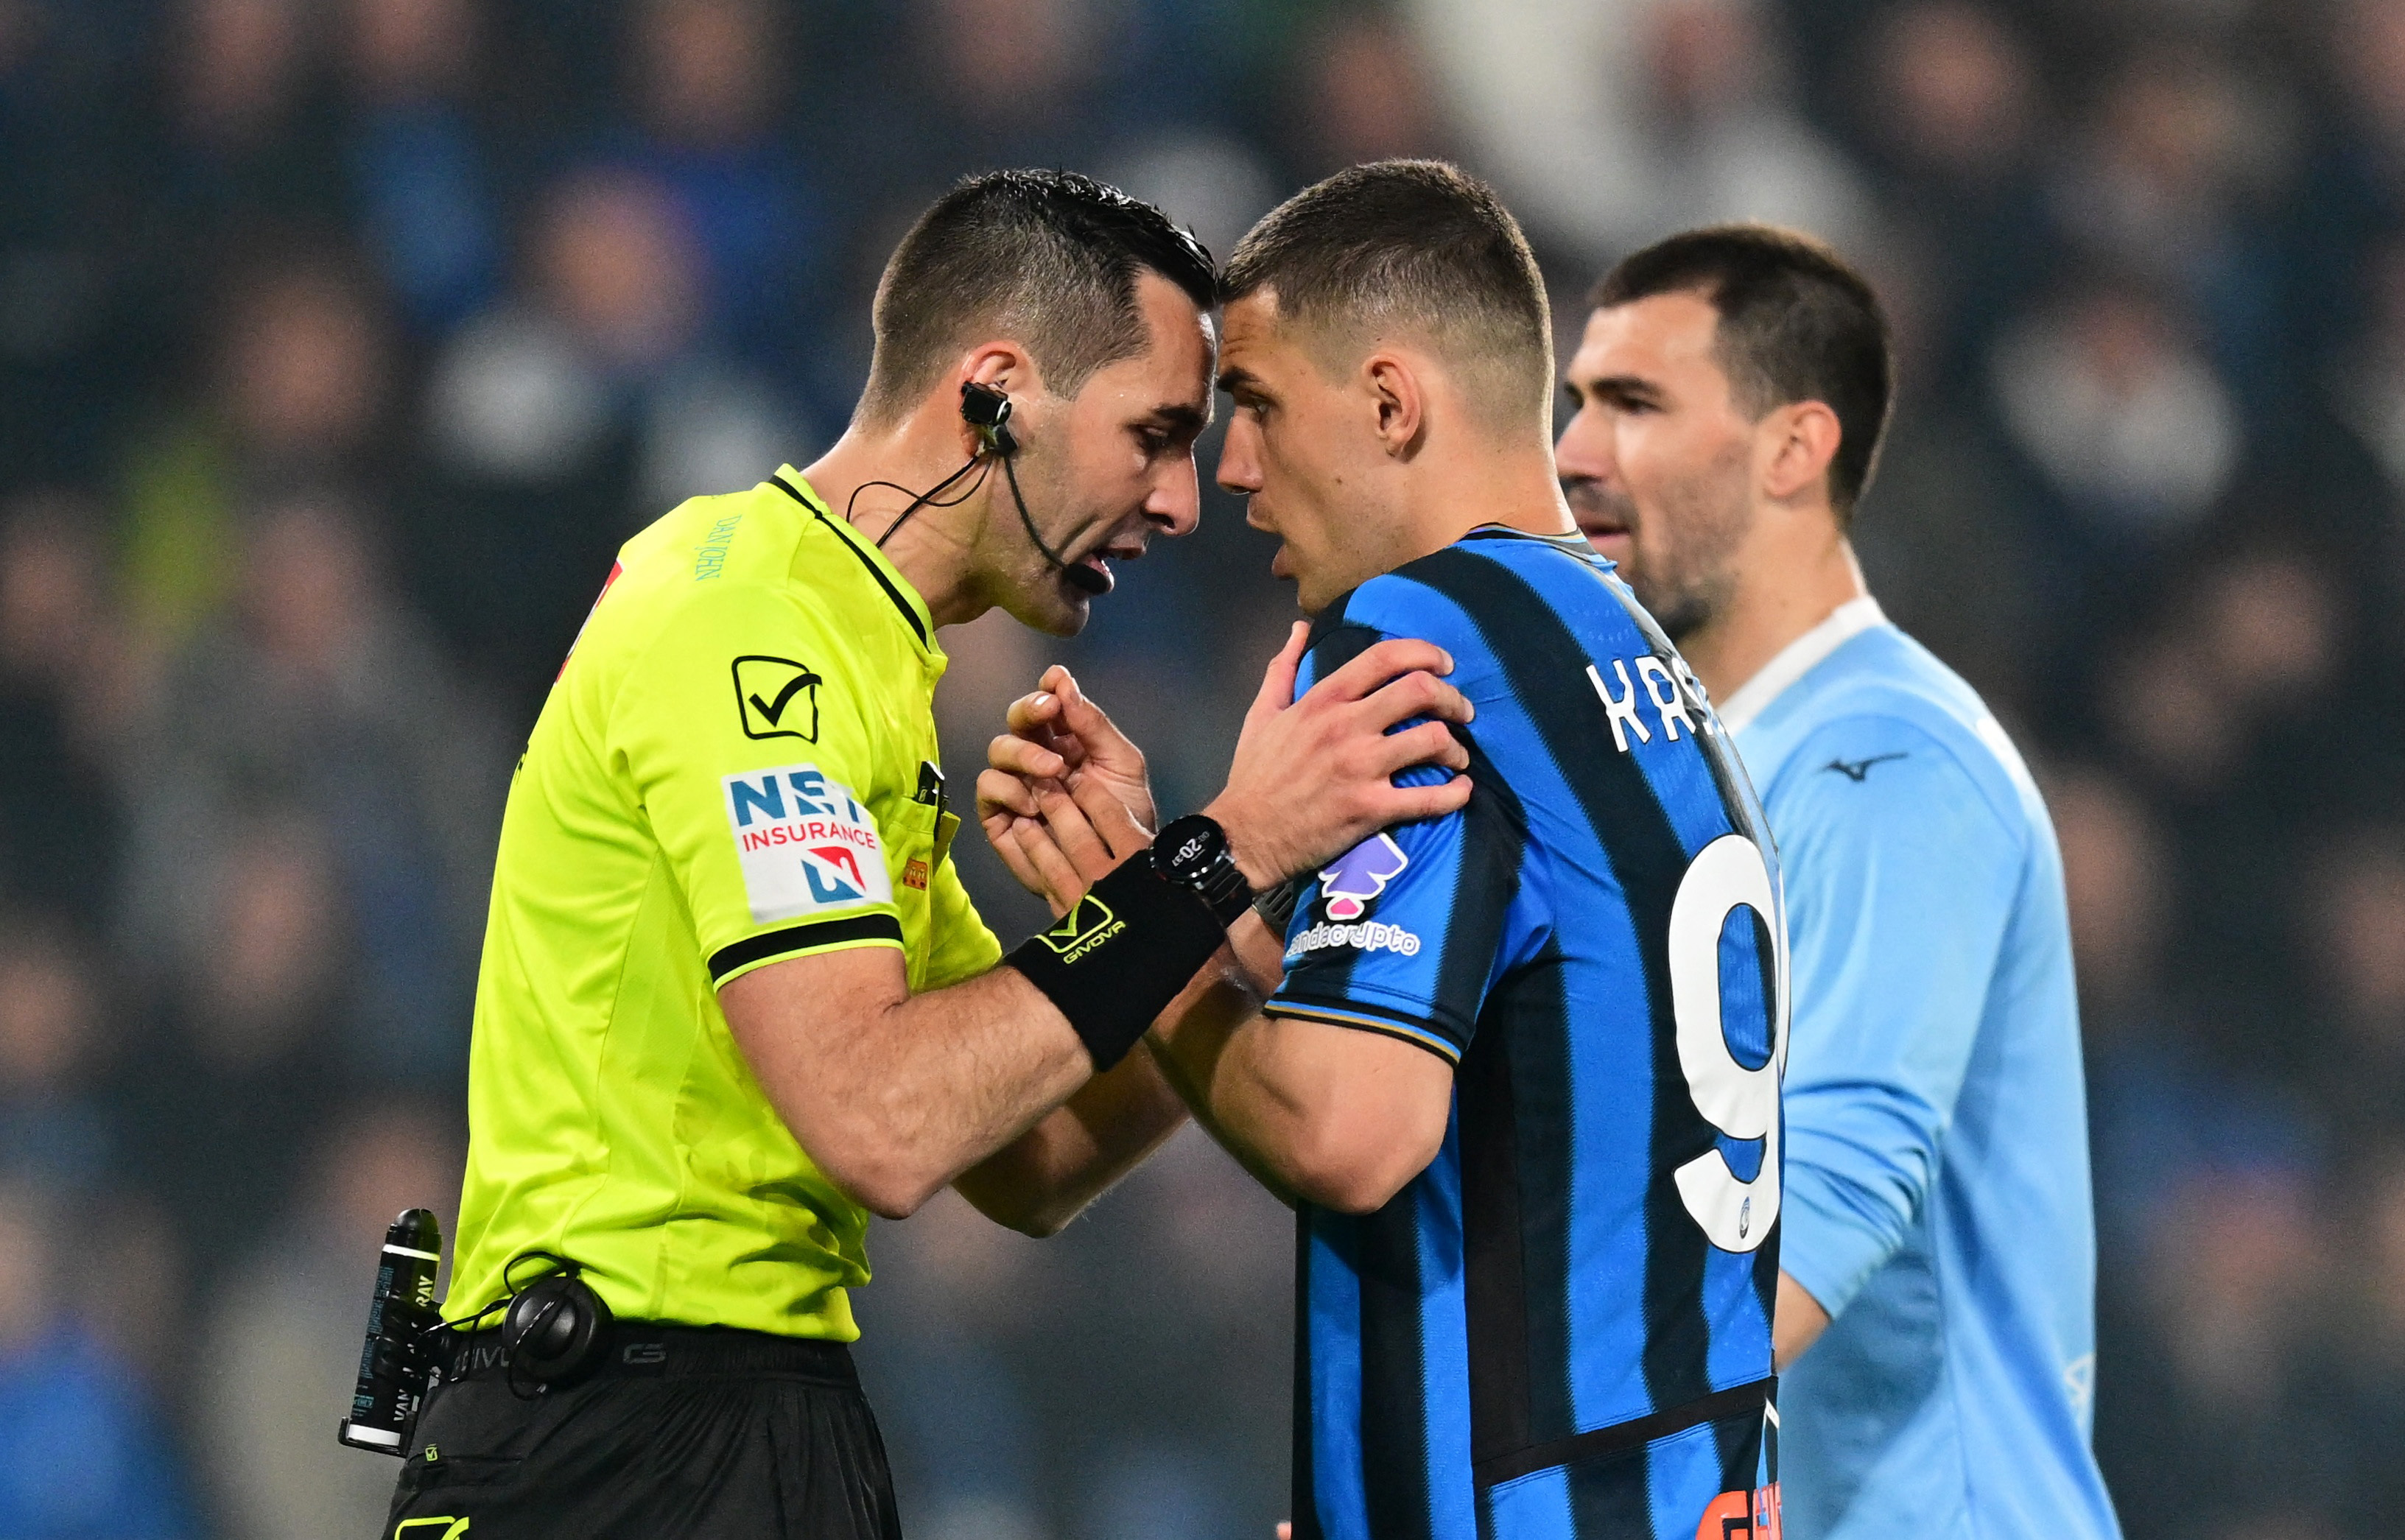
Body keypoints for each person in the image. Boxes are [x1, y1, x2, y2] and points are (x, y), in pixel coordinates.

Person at [387, 169, 1477, 1540]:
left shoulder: (861, 654)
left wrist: (1228, 906)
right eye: (1152, 436)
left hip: (749, 1420)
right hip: (615, 1438)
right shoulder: (750, 627)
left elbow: (1026, 1159)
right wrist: (1215, 849)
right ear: (995, 393)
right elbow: (883, 1123)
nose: (1182, 503)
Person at [981, 161, 1788, 1539]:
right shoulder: (1634, 654)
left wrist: (1155, 904)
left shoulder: (1416, 639)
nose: (1226, 470)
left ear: (1390, 403)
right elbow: (1501, 1060)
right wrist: (1211, 900)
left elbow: (1352, 1130)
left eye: (1257, 407)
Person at [1553, 224, 2121, 1538]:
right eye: (1576, 403)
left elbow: (1832, 1190)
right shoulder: (1706, 766)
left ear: (1792, 451)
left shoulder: (1887, 762)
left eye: (1633, 404)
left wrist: (1488, 1441)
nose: (1574, 452)